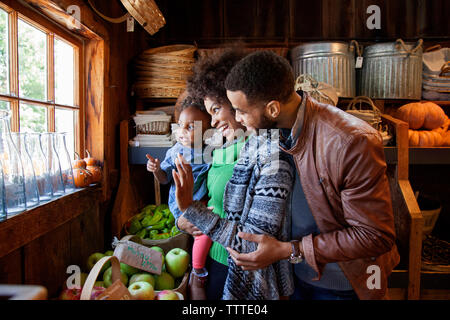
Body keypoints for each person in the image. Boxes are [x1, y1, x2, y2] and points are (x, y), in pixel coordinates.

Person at [221, 50, 400, 300]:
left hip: (341, 283)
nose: (237, 120)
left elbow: (374, 236)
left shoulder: (350, 141)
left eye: (241, 111)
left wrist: (287, 250)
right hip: (293, 276)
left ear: (273, 108)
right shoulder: (269, 133)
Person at [175, 48, 296, 300]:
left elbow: (253, 244)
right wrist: (186, 217)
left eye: (217, 109)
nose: (213, 121)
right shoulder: (224, 146)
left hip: (243, 270)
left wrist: (190, 209)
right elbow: (214, 206)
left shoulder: (270, 154)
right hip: (215, 259)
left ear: (237, 101)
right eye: (209, 113)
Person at [146, 97, 212, 295]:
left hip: (203, 201)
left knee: (204, 234)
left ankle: (197, 269)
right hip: (182, 205)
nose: (182, 130)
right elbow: (165, 179)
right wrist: (156, 170)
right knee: (200, 235)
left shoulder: (212, 150)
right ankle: (197, 272)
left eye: (190, 127)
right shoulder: (176, 151)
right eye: (180, 125)